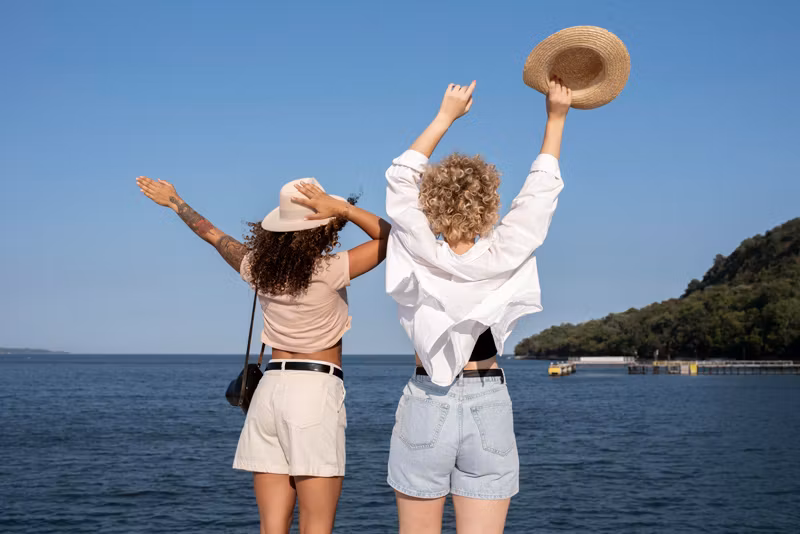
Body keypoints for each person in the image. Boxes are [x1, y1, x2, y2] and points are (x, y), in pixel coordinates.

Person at [135, 175, 390, 534]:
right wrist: (344, 209)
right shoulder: (330, 270)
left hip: (268, 395)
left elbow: (212, 235)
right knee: (317, 525)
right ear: (321, 228)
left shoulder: (258, 269)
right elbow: (393, 239)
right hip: (313, 393)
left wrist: (175, 201)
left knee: (272, 526)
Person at [384, 77, 571, 533]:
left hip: (428, 397)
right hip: (489, 398)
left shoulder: (418, 248)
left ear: (430, 206)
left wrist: (446, 115)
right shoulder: (506, 252)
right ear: (491, 204)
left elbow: (400, 176)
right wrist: (556, 118)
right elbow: (540, 192)